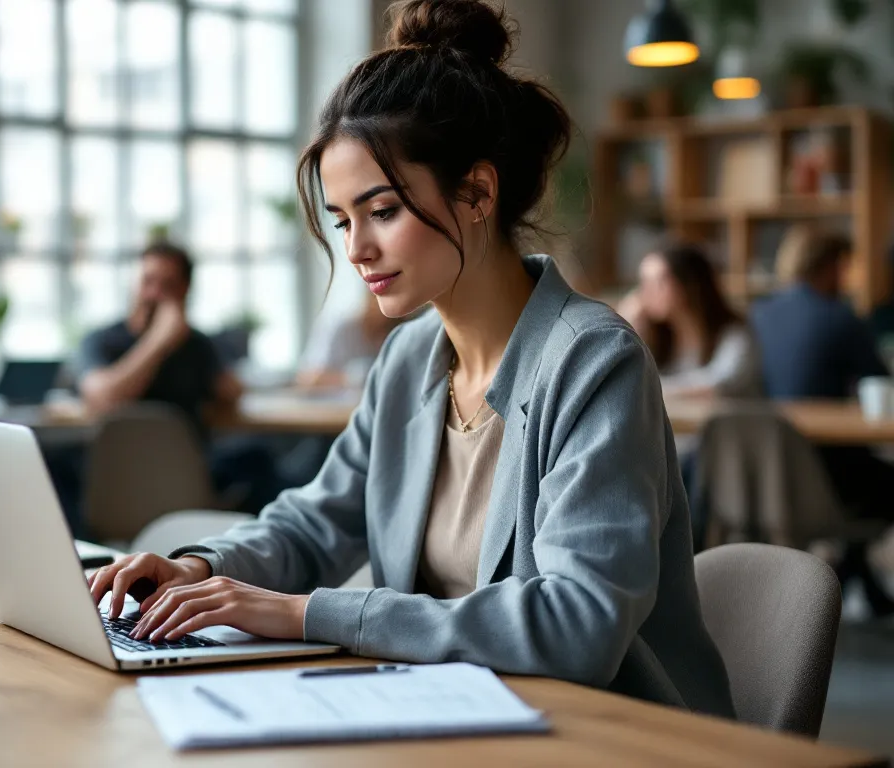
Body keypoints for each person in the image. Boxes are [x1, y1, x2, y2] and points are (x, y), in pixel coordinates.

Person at [88, 0, 734, 716]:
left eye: (383, 211)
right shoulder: (408, 359)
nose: (356, 248)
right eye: (342, 220)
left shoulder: (593, 362)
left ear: (477, 193)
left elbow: (578, 624)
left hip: (608, 732)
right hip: (456, 712)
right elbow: (318, 523)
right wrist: (199, 568)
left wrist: (305, 613)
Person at [75, 243, 279, 516]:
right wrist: (159, 341)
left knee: (257, 457)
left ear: (184, 290)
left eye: (167, 285)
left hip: (187, 473)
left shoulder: (197, 345)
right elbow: (102, 397)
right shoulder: (102, 340)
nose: (154, 293)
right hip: (119, 472)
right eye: (148, 281)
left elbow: (231, 392)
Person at [751, 226, 894, 616]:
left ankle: (854, 575)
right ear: (831, 266)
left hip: (765, 474)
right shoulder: (839, 317)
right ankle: (847, 572)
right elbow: (879, 380)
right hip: (828, 475)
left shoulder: (758, 315)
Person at [618, 244, 761, 399]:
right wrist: (629, 327)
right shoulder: (657, 336)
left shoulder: (735, 335)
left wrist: (647, 387)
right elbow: (624, 383)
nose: (646, 293)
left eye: (658, 283)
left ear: (689, 285)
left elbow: (720, 385)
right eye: (644, 283)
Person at [297, 294, 404, 392]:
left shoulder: (397, 332)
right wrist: (355, 378)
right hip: (334, 405)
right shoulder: (342, 327)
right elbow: (308, 378)